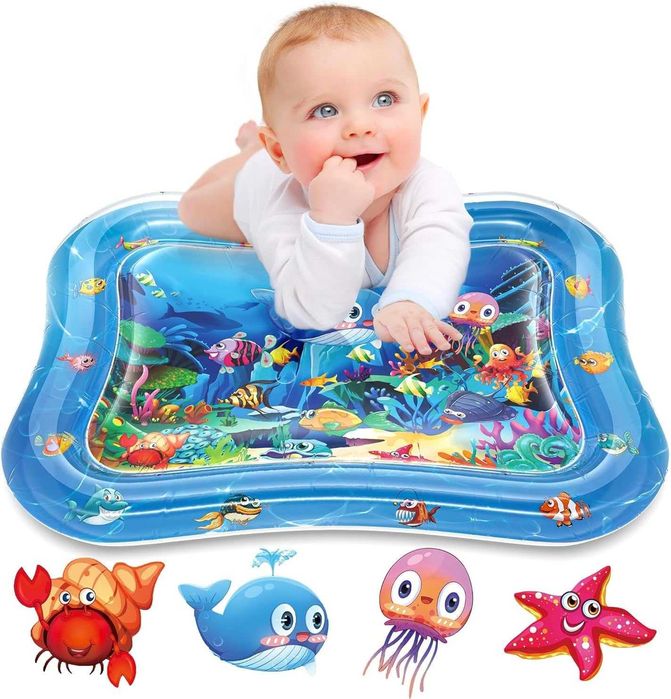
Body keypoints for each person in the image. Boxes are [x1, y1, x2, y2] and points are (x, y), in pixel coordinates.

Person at [179, 4, 472, 356]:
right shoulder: (283, 209)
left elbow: (440, 244)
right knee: (191, 209)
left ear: (420, 114)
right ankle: (249, 152)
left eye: (384, 99)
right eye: (325, 110)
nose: (360, 126)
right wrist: (331, 222)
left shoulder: (428, 185)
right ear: (280, 150)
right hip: (254, 184)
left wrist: (411, 300)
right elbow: (311, 312)